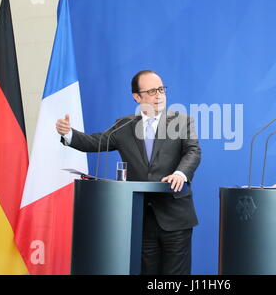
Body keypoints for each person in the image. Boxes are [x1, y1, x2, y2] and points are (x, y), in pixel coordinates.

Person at [55, 70, 201, 275]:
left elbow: (193, 151)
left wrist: (180, 174)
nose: (159, 95)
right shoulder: (123, 126)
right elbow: (95, 142)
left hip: (175, 215)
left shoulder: (182, 121)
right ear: (137, 97)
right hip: (141, 218)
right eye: (151, 91)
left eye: (161, 89)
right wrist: (68, 133)